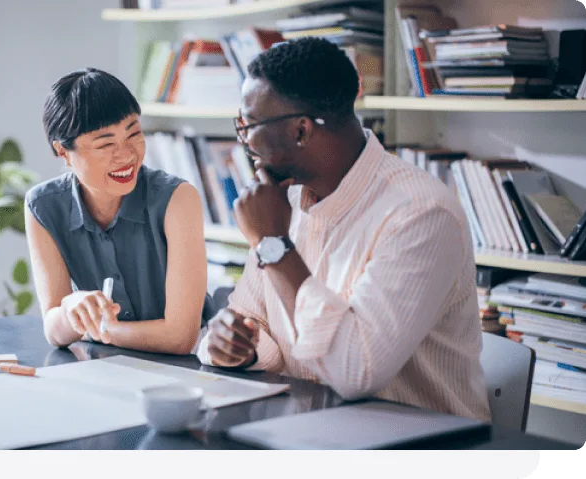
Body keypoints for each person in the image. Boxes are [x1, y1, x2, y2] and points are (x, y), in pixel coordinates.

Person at [196, 38, 491, 421]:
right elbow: (261, 328)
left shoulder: (420, 214)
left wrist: (273, 245)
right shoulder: (284, 201)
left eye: (249, 125)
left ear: (301, 131)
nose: (245, 143)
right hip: (313, 429)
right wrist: (239, 347)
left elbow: (356, 371)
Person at [25, 68, 214, 354]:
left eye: (134, 134)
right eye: (106, 144)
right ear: (63, 152)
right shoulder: (43, 205)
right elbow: (53, 328)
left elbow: (181, 337)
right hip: (106, 368)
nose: (126, 155)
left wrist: (98, 330)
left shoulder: (178, 199)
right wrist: (69, 309)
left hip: (190, 368)